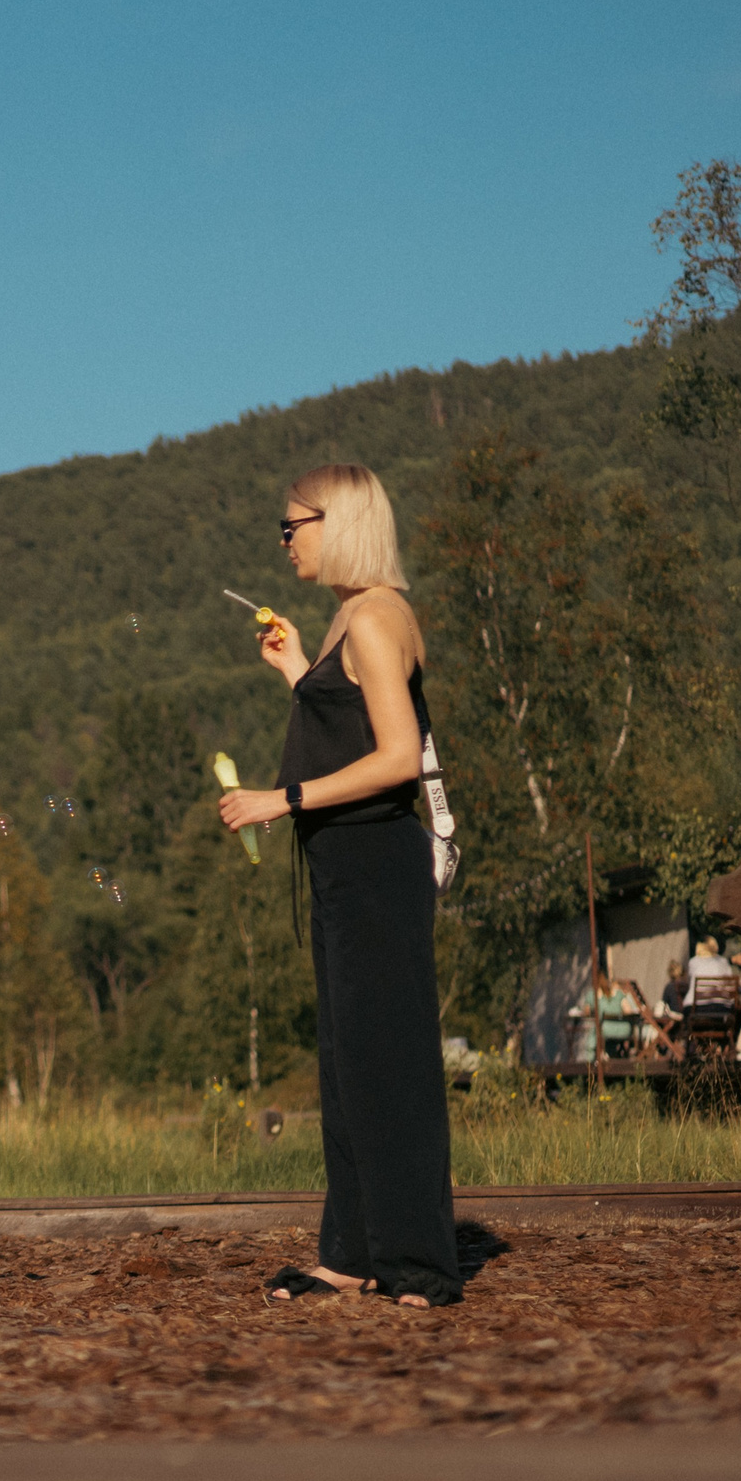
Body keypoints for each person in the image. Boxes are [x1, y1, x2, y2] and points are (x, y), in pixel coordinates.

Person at [223, 462, 462, 1309]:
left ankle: (420, 1264)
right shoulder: (347, 621)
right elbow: (346, 731)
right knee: (347, 1064)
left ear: (341, 520)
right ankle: (354, 1252)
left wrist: (278, 801)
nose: (284, 542)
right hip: (342, 867)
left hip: (374, 864)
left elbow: (397, 758)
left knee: (388, 1063)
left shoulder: (374, 620)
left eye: (293, 526)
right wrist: (295, 671)